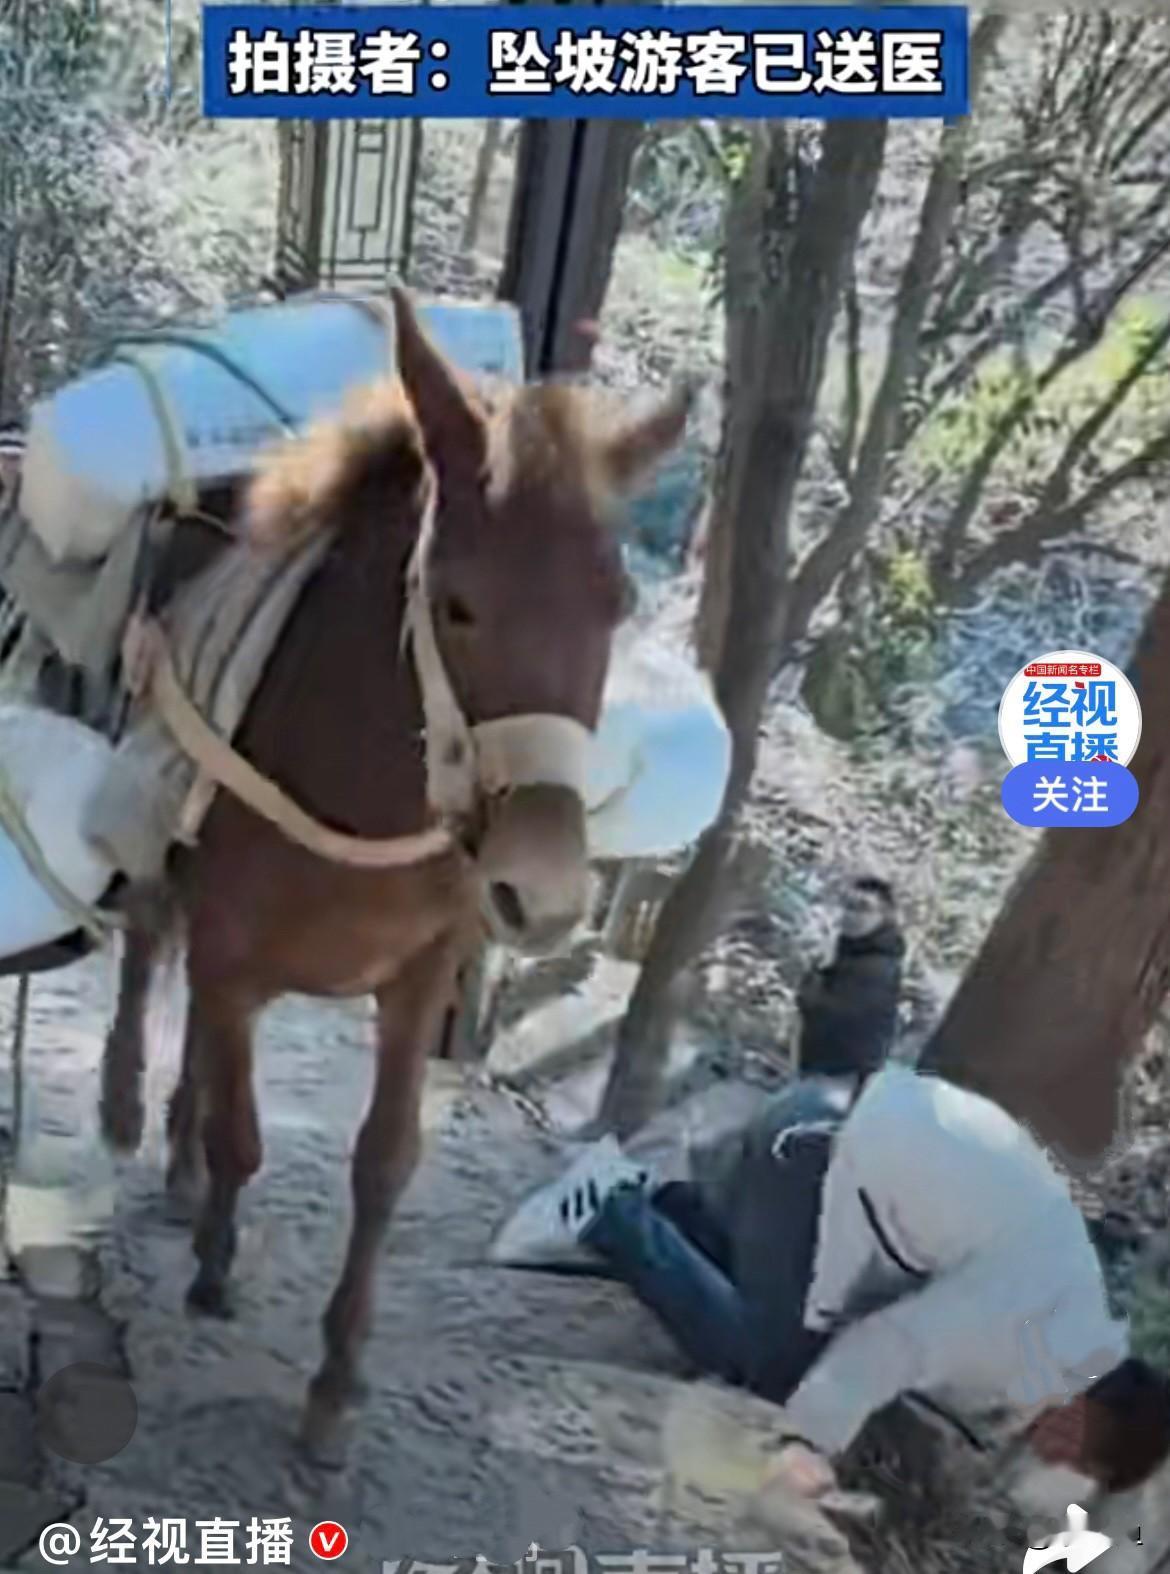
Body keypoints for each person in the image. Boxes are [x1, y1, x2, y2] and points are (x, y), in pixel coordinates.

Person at [490, 1059, 1170, 1510]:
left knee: (797, 1352)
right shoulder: (1038, 1329)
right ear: (1090, 1415)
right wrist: (803, 1446)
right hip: (818, 1151)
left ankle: (669, 1210)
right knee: (771, 1379)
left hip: (837, 1138)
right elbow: (891, 1345)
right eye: (1078, 1455)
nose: (1056, 1459)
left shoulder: (1069, 1317)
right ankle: (608, 1208)